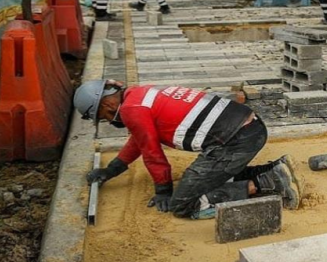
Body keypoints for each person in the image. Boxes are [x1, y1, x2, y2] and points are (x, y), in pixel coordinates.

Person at [74, 79, 303, 219]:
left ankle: (267, 183)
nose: (108, 119)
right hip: (249, 130)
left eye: (103, 116)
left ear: (105, 104)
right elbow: (139, 140)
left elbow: (152, 153)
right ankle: (274, 170)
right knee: (211, 174)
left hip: (233, 142)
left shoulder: (131, 110)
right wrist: (112, 170)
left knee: (183, 204)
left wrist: (163, 190)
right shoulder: (139, 95)